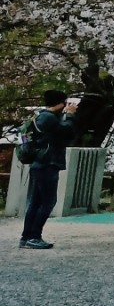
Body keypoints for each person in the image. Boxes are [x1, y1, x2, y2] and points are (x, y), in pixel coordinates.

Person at [17, 90, 79, 249]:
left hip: (39, 164)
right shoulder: (49, 118)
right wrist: (70, 115)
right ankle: (34, 236)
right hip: (47, 164)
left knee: (36, 202)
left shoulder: (41, 116)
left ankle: (26, 237)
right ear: (60, 103)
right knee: (48, 201)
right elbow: (68, 132)